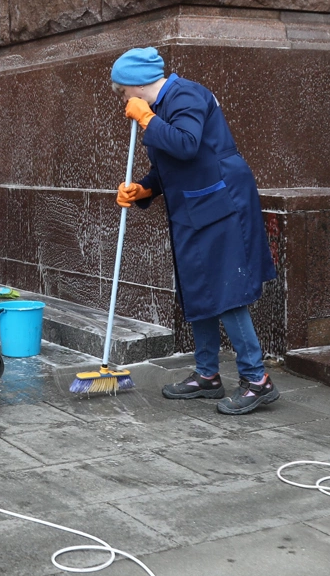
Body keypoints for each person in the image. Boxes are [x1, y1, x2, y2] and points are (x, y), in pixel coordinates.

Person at [111, 47, 279, 415]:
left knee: (226, 290)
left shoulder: (185, 94)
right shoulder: (160, 107)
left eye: (123, 91)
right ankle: (207, 375)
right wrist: (145, 189)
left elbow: (186, 145)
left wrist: (147, 121)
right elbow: (169, 165)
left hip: (220, 204)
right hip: (194, 208)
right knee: (199, 286)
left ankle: (257, 380)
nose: (123, 100)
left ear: (137, 85)